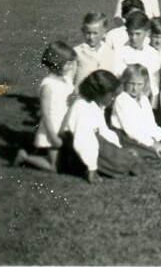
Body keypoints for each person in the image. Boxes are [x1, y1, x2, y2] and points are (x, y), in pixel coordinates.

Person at [63, 70, 143, 183]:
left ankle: (121, 160)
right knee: (123, 166)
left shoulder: (97, 104)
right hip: (76, 150)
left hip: (95, 142)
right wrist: (92, 168)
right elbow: (83, 140)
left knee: (132, 160)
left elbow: (103, 130)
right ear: (98, 93)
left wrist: (119, 148)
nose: (113, 99)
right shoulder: (82, 107)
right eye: (111, 96)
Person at [13, 42, 77, 173]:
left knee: (68, 159)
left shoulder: (66, 79)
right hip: (53, 127)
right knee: (54, 167)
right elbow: (45, 114)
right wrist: (52, 136)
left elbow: (74, 64)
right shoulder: (48, 85)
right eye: (68, 63)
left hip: (65, 125)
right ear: (57, 64)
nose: (71, 66)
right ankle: (25, 157)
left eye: (71, 63)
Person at [110, 64, 161, 159]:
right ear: (125, 83)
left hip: (141, 133)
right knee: (154, 152)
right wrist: (153, 144)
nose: (135, 88)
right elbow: (131, 130)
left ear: (145, 84)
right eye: (131, 83)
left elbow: (151, 123)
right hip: (125, 135)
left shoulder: (143, 98)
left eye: (139, 84)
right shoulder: (122, 99)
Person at [112, 11, 161, 103]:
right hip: (124, 100)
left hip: (145, 100)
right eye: (131, 34)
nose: (134, 38)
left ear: (147, 33)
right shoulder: (119, 52)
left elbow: (155, 86)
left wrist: (152, 107)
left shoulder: (153, 53)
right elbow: (118, 81)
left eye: (138, 34)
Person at [73, 12, 114, 87]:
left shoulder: (110, 52)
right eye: (88, 33)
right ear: (83, 31)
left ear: (104, 33)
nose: (91, 37)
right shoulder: (77, 52)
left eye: (95, 33)